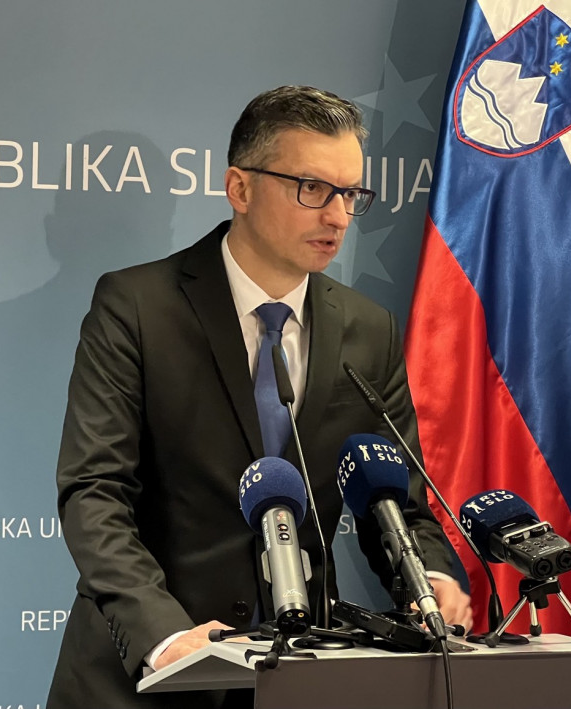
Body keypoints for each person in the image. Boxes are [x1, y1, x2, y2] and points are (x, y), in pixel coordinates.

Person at [46, 85, 472, 709]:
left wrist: (428, 577)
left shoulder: (368, 329)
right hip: (148, 674)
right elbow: (95, 492)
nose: (338, 217)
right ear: (240, 189)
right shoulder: (137, 307)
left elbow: (399, 503)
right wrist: (162, 635)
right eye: (313, 189)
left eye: (351, 194)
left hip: (300, 676)